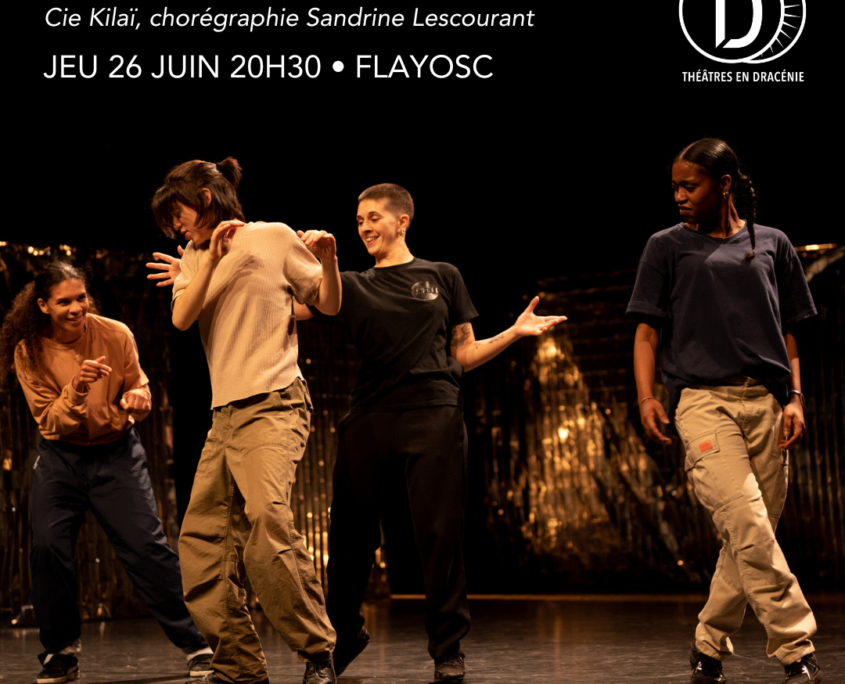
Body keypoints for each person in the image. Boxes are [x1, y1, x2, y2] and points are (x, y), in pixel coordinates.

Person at [149, 183, 566, 682]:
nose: (364, 227)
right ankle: (340, 635)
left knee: (438, 534)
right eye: (359, 220)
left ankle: (447, 648)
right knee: (348, 539)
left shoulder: (442, 276)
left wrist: (513, 333)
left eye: (373, 217)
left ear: (402, 220)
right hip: (369, 415)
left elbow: (464, 353)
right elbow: (278, 302)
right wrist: (203, 273)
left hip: (432, 412)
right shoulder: (352, 284)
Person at [627, 138, 821, 684]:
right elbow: (646, 332)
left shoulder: (773, 243)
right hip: (702, 401)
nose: (679, 196)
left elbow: (791, 332)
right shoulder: (665, 246)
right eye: (674, 187)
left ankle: (708, 646)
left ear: (725, 184)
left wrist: (796, 398)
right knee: (748, 524)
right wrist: (646, 397)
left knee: (748, 536)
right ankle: (796, 646)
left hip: (767, 403)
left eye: (690, 186)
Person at [150, 157, 341, 684]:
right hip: (224, 416)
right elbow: (182, 318)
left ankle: (317, 651)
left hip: (275, 401)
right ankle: (238, 663)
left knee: (266, 520)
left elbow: (326, 305)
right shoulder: (193, 257)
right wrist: (208, 259)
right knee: (200, 542)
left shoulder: (273, 237)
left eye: (179, 213)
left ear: (206, 199)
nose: (176, 226)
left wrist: (328, 263)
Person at [0, 261, 213, 684]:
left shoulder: (116, 333)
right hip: (61, 457)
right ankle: (61, 652)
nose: (76, 308)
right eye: (64, 302)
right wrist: (78, 387)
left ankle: (197, 644)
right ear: (43, 306)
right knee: (48, 547)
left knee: (146, 548)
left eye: (81, 298)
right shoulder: (29, 351)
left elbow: (138, 384)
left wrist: (138, 398)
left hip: (116, 453)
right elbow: (51, 422)